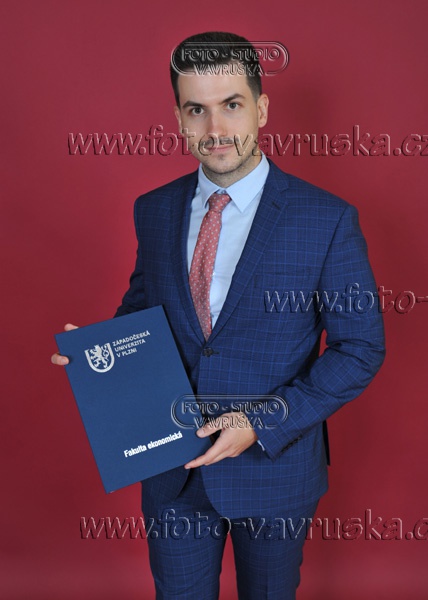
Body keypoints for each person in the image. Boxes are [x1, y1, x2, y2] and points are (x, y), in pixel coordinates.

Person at [52, 32, 385, 600]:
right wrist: (98, 355)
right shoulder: (154, 210)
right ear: (178, 119)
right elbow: (143, 312)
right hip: (172, 471)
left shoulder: (326, 220)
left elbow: (360, 349)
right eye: (196, 110)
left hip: (274, 470)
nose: (215, 128)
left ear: (261, 108)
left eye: (231, 104)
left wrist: (261, 423)